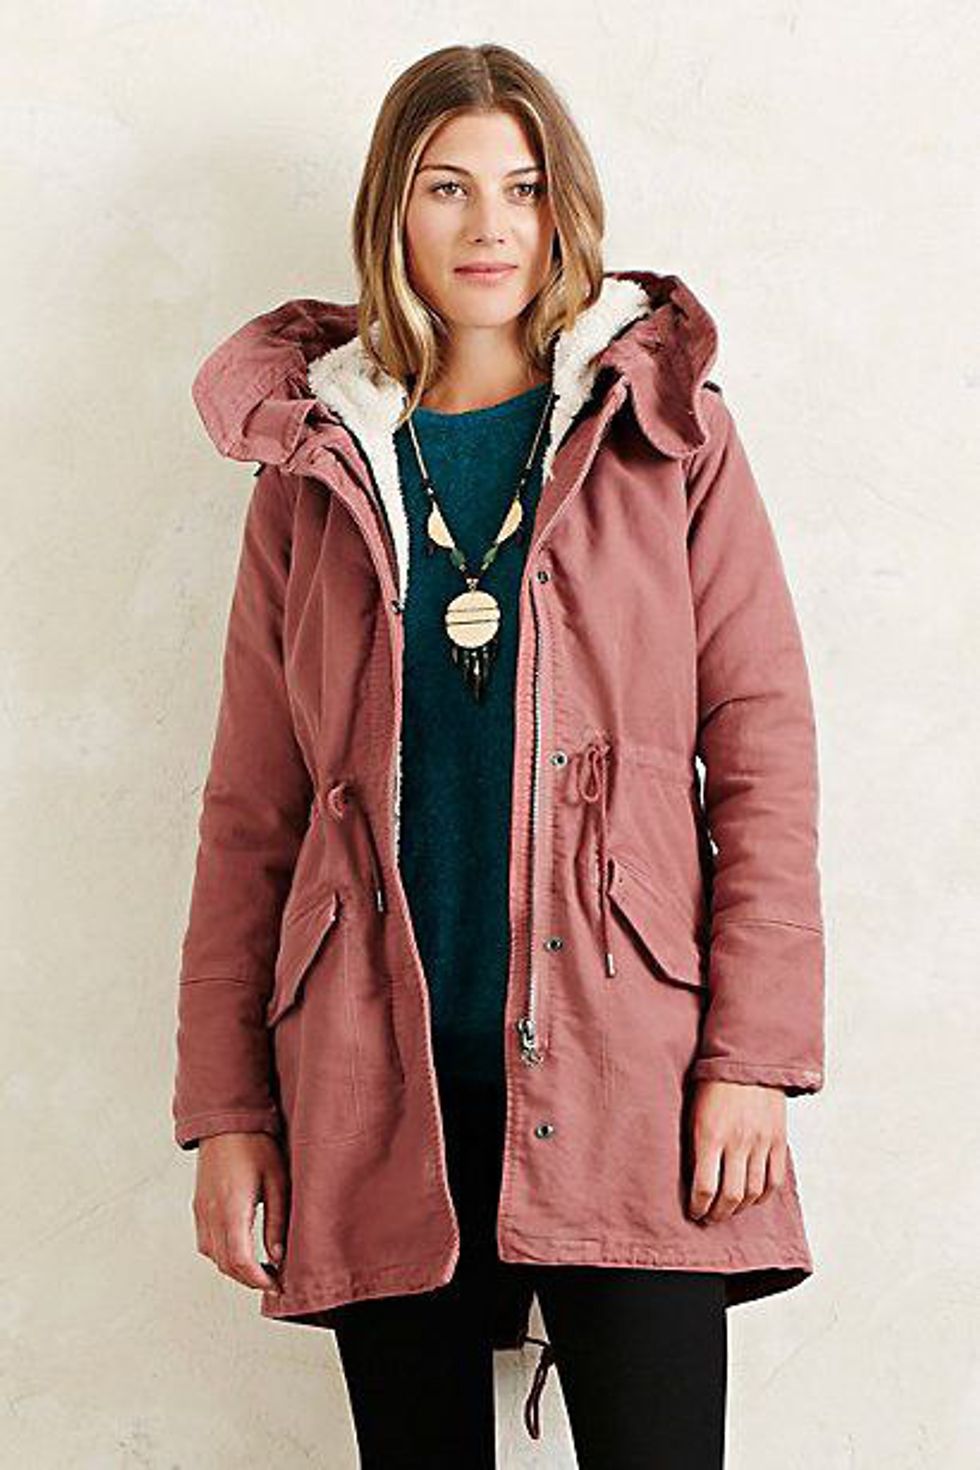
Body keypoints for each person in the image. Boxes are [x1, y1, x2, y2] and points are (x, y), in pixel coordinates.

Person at [172, 42, 826, 1469]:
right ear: (392, 212)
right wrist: (227, 1110)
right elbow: (252, 811)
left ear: (562, 208)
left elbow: (764, 757)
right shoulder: (313, 465)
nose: (489, 227)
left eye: (523, 189)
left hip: (631, 1065)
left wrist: (755, 1060)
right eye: (447, 187)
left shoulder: (670, 437)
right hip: (371, 1074)